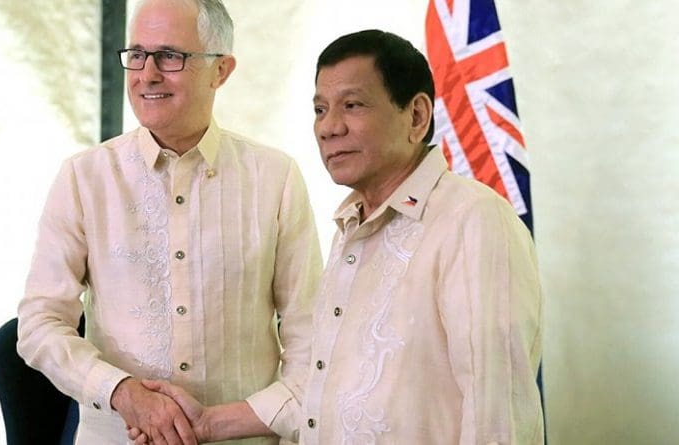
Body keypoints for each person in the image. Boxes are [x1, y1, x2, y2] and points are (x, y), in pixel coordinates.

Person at [132, 29, 544, 444]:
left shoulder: (471, 220)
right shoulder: (350, 230)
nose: (329, 127)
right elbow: (325, 393)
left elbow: (499, 418)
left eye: (353, 105)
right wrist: (206, 425)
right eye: (319, 109)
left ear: (417, 116)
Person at [16, 1, 322, 444]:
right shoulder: (84, 178)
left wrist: (232, 421)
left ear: (222, 70)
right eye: (137, 55)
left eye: (170, 56)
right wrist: (123, 393)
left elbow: (311, 339)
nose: (148, 73)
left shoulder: (275, 178)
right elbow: (39, 322)